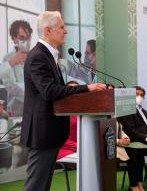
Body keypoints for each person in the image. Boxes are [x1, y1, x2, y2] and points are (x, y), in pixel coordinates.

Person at [21, 11, 106, 191]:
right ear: (47, 30)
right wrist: (85, 88)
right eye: (61, 27)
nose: (65, 31)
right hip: (42, 132)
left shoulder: (48, 55)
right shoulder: (38, 56)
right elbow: (49, 91)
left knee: (42, 185)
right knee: (36, 185)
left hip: (49, 132)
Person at [0, 20, 33, 116]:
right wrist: (33, 98)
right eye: (22, 38)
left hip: (36, 110)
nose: (26, 42)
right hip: (17, 112)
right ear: (14, 39)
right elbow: (11, 87)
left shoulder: (35, 57)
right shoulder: (8, 59)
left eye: (28, 38)